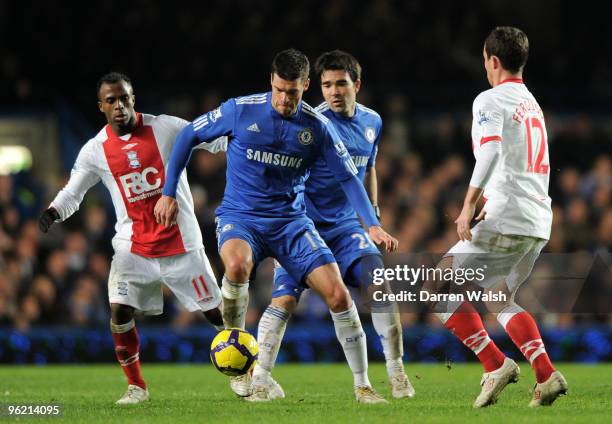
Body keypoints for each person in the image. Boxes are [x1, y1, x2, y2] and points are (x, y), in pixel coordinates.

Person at [155, 49, 398, 404]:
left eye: (294, 93)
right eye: (280, 90)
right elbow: (189, 135)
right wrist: (168, 192)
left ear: (305, 86)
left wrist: (372, 225)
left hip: (291, 223)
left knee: (338, 294)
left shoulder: (318, 127)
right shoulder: (240, 109)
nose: (285, 99)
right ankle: (240, 363)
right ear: (272, 81)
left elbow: (349, 178)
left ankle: (363, 386)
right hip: (242, 217)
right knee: (237, 266)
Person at [39, 72, 226, 405]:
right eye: (111, 100)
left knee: (217, 314)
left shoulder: (165, 127)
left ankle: (247, 375)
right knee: (119, 311)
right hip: (133, 247)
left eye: (124, 98)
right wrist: (53, 211)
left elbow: (208, 136)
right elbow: (74, 191)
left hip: (181, 243)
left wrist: (240, 140)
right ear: (101, 107)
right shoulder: (95, 150)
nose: (119, 105)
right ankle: (137, 387)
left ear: (133, 99)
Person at [247, 50, 414, 402]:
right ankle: (259, 377)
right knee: (285, 299)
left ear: (357, 84)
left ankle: (397, 374)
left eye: (341, 83)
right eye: (326, 85)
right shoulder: (311, 124)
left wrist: (373, 217)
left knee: (379, 282)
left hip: (344, 227)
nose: (334, 91)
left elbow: (367, 170)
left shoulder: (373, 122)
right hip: (303, 227)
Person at [427, 27, 567, 407]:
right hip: (537, 218)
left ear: (492, 60)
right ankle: (545, 374)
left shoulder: (490, 99)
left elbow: (489, 154)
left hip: (508, 216)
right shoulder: (531, 103)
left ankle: (495, 364)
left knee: (436, 288)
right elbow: (517, 161)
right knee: (500, 297)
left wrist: (468, 205)